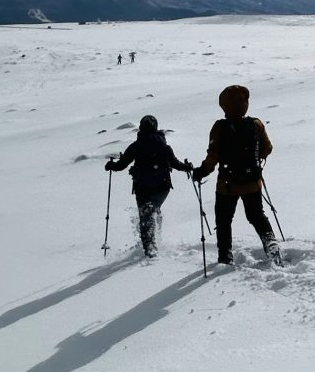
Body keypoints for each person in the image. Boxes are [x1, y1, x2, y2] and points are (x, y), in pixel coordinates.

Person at [191, 85, 278, 265]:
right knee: (257, 216)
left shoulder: (220, 127)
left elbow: (213, 156)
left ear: (225, 105)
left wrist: (201, 171)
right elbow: (268, 147)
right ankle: (271, 246)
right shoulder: (256, 124)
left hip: (227, 185)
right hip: (253, 182)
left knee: (224, 220)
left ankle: (225, 257)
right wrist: (256, 158)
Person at [104, 115, 192, 259]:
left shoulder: (136, 146)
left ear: (141, 128)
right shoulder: (164, 146)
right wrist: (187, 167)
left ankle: (150, 250)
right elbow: (176, 164)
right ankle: (156, 236)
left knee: (145, 215)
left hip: (142, 187)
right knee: (153, 209)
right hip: (162, 187)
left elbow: (121, 165)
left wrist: (110, 166)